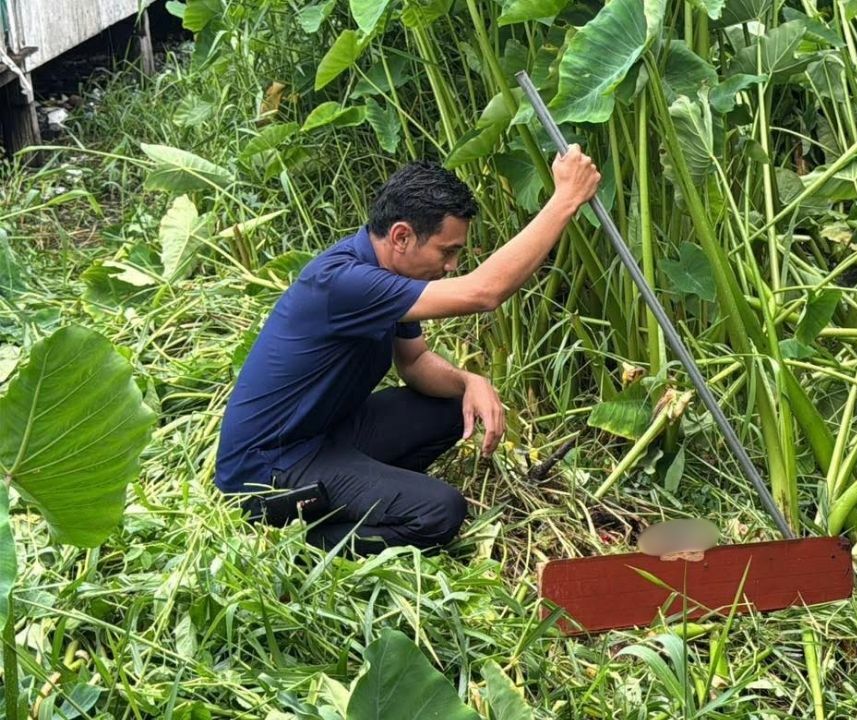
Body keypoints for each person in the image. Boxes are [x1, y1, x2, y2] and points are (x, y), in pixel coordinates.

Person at [214, 146, 602, 554]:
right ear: (401, 236)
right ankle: (303, 544)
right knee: (440, 512)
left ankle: (361, 496)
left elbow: (414, 362)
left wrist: (469, 381)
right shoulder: (345, 282)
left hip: (325, 435)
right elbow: (484, 292)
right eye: (447, 250)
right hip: (267, 470)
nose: (451, 265)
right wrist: (565, 199)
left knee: (453, 405)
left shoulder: (384, 273)